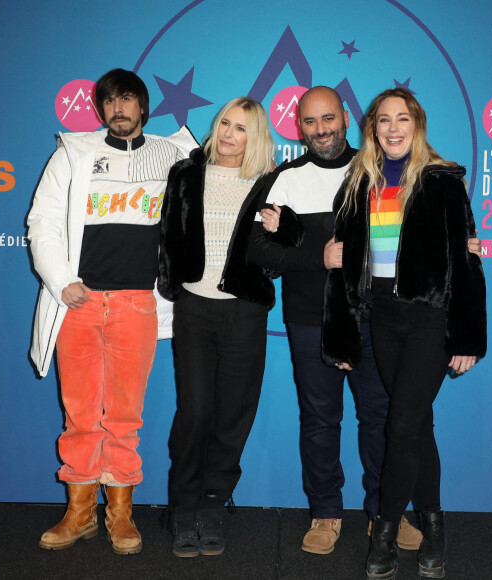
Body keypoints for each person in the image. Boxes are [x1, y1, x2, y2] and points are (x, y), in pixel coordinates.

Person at [249, 86, 481, 556]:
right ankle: (326, 513)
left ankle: (384, 515)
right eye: (311, 122)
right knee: (319, 418)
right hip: (310, 319)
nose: (321, 130)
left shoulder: (368, 170)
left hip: (372, 318)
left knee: (382, 418)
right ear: (299, 126)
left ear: (345, 119)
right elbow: (257, 248)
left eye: (329, 119)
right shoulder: (287, 178)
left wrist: (461, 249)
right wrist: (317, 256)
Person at [28, 68, 196, 555]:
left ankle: (120, 514)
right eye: (109, 102)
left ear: (143, 107)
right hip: (79, 304)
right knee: (80, 415)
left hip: (137, 304)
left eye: (127, 100)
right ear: (99, 110)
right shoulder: (74, 154)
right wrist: (62, 282)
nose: (118, 108)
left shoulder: (176, 154)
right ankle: (79, 513)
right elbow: (41, 221)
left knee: (124, 417)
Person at [322, 88, 486, 579]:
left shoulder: (442, 182)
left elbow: (466, 262)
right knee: (417, 427)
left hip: (430, 321)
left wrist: (467, 338)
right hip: (381, 320)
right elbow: (345, 270)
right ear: (373, 127)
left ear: (417, 126)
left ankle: (385, 533)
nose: (393, 129)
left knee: (400, 427)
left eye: (403, 120)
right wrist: (343, 334)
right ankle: (434, 530)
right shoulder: (359, 181)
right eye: (385, 121)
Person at [158, 97, 301, 558]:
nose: (228, 134)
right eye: (224, 123)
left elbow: (288, 248)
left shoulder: (270, 182)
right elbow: (167, 234)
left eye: (241, 128)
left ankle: (214, 502)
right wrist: (172, 282)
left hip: (244, 311)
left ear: (254, 136)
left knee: (233, 413)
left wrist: (284, 230)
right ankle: (182, 506)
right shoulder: (186, 173)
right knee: (195, 412)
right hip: (195, 309)